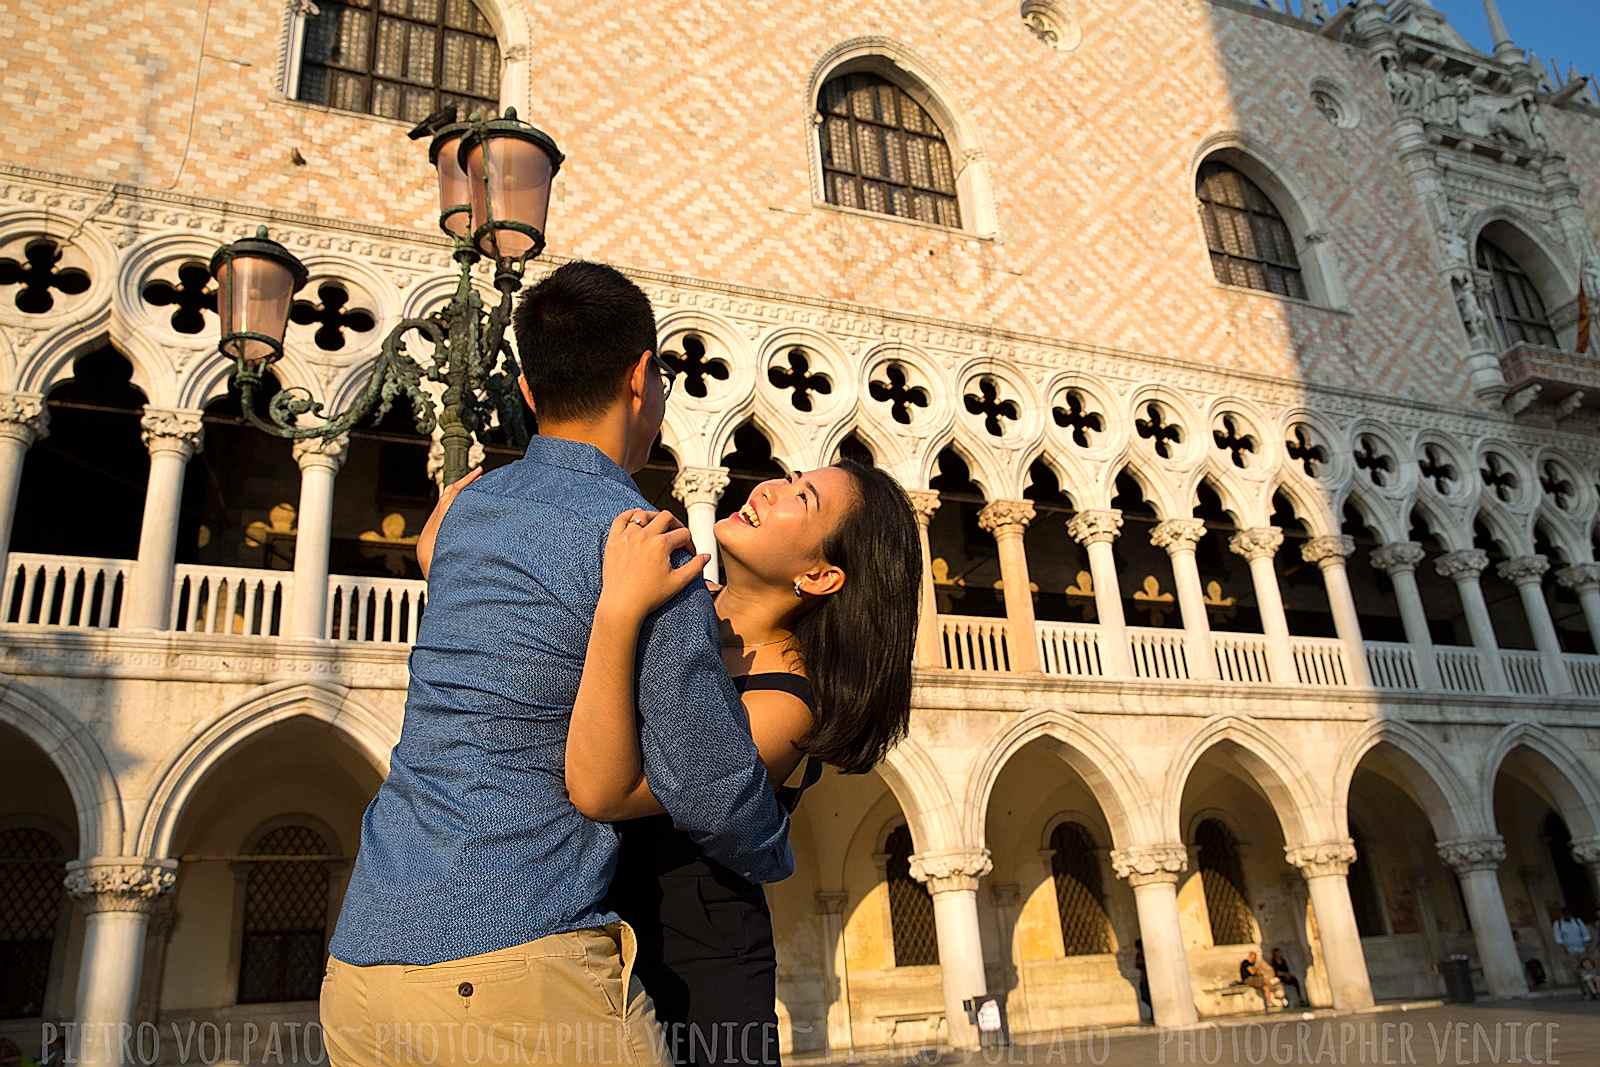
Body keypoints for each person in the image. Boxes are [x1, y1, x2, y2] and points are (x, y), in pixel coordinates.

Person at [319, 261, 795, 1067]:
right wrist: (771, 845)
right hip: (515, 968)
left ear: (531, 393)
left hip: (361, 969)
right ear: (643, 378)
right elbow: (710, 785)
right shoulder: (643, 544)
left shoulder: (467, 510)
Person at [1553, 906, 1591, 976]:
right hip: (1569, 950)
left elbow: (1586, 934)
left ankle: (1589, 984)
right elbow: (1558, 939)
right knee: (1575, 969)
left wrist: (1586, 947)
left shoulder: (1578, 921)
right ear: (1562, 914)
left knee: (1586, 967)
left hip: (1582, 949)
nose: (1568, 916)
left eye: (1569, 914)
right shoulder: (1558, 924)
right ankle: (1581, 984)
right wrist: (1565, 949)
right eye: (1566, 914)